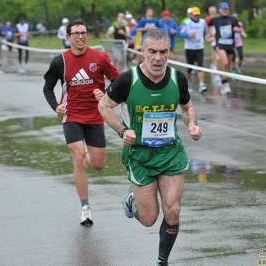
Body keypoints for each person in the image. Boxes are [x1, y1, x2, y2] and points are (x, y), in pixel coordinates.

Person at [98, 28, 202, 266]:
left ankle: (162, 261)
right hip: (140, 155)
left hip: (170, 153)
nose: (158, 58)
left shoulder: (178, 78)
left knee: (173, 210)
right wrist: (122, 131)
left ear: (169, 52)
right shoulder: (127, 80)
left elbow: (187, 108)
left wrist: (193, 125)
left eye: (163, 52)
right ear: (142, 51)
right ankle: (131, 200)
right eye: (152, 52)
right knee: (148, 219)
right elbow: (104, 106)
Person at [43, 19, 120, 225]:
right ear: (68, 37)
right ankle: (85, 208)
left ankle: (87, 156)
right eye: (75, 33)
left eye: (83, 32)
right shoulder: (60, 61)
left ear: (88, 35)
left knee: (97, 164)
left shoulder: (100, 57)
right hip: (72, 116)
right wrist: (55, 107)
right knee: (78, 158)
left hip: (95, 116)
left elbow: (119, 81)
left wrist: (104, 94)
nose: (80, 36)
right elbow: (47, 88)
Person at [206, 2, 240, 94]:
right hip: (220, 45)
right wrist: (210, 35)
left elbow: (237, 27)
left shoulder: (232, 18)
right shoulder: (216, 19)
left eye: (227, 9)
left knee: (227, 65)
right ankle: (222, 80)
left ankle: (224, 82)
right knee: (224, 62)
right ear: (219, 10)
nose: (225, 11)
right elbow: (207, 25)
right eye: (223, 9)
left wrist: (237, 29)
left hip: (230, 45)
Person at [179, 6, 208, 93]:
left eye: (198, 15)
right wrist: (188, 35)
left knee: (200, 66)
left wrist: (207, 37)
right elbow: (179, 34)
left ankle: (201, 84)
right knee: (189, 68)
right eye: (195, 15)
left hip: (199, 47)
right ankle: (189, 83)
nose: (196, 16)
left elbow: (205, 32)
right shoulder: (186, 23)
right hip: (189, 48)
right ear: (191, 15)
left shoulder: (203, 22)